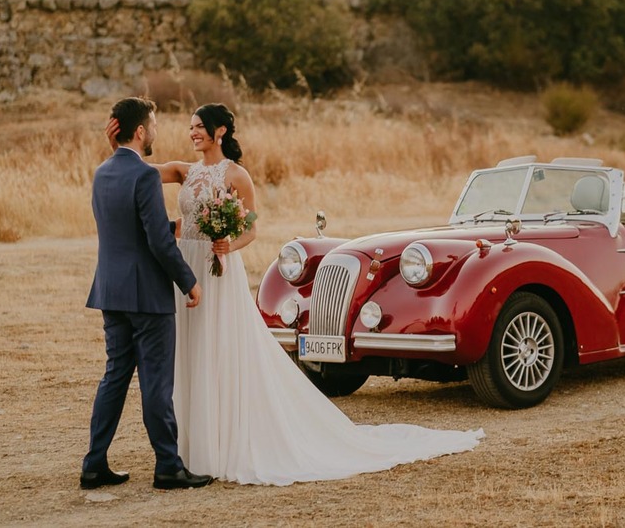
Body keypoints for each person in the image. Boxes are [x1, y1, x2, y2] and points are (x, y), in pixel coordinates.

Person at [107, 102, 483, 485]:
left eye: (200, 127)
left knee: (217, 348)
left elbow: (251, 227)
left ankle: (222, 442)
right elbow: (136, 169)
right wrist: (117, 145)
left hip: (218, 270)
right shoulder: (183, 172)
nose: (193, 133)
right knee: (188, 350)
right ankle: (189, 445)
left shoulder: (238, 176)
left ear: (219, 132)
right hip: (186, 266)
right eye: (190, 128)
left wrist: (229, 245)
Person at [82, 97, 213, 491]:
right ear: (140, 131)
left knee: (114, 378)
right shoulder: (143, 176)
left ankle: (93, 464)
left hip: (111, 291)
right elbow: (157, 242)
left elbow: (126, 227)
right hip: (147, 297)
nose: (155, 130)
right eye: (152, 124)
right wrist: (188, 281)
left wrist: (169, 224)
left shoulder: (103, 172)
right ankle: (168, 467)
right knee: (157, 382)